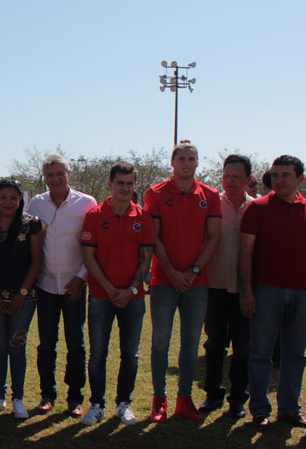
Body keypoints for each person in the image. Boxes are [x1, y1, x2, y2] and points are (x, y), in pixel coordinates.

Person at [240, 154, 306, 428]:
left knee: (295, 355)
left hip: (304, 293)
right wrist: (246, 291)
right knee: (260, 352)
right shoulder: (257, 208)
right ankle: (259, 410)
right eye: (275, 175)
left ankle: (290, 409)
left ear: (300, 178)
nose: (278, 180)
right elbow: (245, 253)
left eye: (285, 175)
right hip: (266, 290)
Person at [144, 140, 221, 423]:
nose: (187, 163)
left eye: (192, 159)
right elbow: (154, 237)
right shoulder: (156, 193)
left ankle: (184, 400)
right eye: (182, 159)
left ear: (197, 163)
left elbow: (213, 237)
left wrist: (193, 271)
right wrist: (172, 272)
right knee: (160, 342)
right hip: (164, 280)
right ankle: (159, 400)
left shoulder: (210, 194)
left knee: (190, 343)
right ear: (172, 162)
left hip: (196, 282)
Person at [80, 163, 154, 425]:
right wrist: (111, 290)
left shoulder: (143, 217)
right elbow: (88, 257)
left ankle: (124, 403)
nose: (125, 188)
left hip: (133, 297)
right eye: (120, 183)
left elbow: (146, 259)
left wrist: (131, 289)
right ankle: (97, 404)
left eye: (130, 183)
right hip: (101, 296)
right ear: (110, 184)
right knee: (98, 353)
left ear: (135, 185)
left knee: (130, 354)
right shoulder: (94, 214)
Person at [24, 153, 97, 416]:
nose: (55, 179)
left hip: (75, 284)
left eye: (59, 173)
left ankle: (75, 397)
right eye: (50, 175)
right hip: (44, 285)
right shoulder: (35, 204)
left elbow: (93, 245)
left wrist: (81, 277)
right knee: (46, 343)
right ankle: (47, 394)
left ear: (69, 174)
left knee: (76, 343)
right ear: (44, 178)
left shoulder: (86, 204)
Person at [0, 179, 44, 419]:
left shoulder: (31, 224)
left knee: (17, 346)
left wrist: (22, 295)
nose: (8, 202)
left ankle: (18, 399)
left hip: (24, 298)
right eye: (3, 197)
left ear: (20, 200)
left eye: (13, 198)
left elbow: (36, 261)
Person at [199, 154, 254, 419]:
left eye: (236, 176)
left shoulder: (256, 208)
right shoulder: (210, 204)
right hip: (215, 285)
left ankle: (238, 399)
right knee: (214, 343)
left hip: (245, 290)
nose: (230, 181)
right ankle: (212, 394)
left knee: (243, 346)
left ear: (248, 179)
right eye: (226, 175)